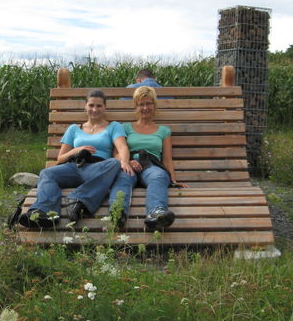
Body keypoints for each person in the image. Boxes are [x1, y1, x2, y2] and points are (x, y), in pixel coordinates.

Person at [19, 90, 133, 228]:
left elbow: (122, 147)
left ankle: (79, 198)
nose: (94, 109)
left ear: (105, 107)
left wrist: (125, 161)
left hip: (98, 169)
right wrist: (76, 150)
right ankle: (45, 212)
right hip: (75, 166)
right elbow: (60, 159)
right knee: (46, 173)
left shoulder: (114, 126)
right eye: (91, 105)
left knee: (114, 163)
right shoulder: (73, 129)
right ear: (85, 107)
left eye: (99, 106)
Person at [108, 86, 188, 230]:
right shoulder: (125, 127)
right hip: (129, 164)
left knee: (159, 176)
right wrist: (127, 161)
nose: (145, 107)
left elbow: (167, 160)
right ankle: (117, 214)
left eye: (149, 103)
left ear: (154, 105)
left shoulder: (164, 131)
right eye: (141, 104)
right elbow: (116, 152)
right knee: (122, 179)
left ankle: (156, 213)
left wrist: (174, 181)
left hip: (151, 166)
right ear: (136, 107)